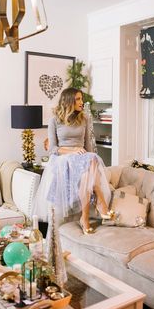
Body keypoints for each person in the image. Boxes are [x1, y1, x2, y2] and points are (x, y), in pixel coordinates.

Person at [32, 87, 113, 234]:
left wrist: (89, 161)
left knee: (91, 161)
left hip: (82, 157)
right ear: (69, 101)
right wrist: (73, 150)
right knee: (90, 169)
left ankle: (85, 216)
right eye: (78, 99)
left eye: (81, 98)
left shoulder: (85, 118)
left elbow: (88, 145)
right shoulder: (54, 120)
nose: (82, 102)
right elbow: (53, 149)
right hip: (62, 159)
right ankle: (98, 206)